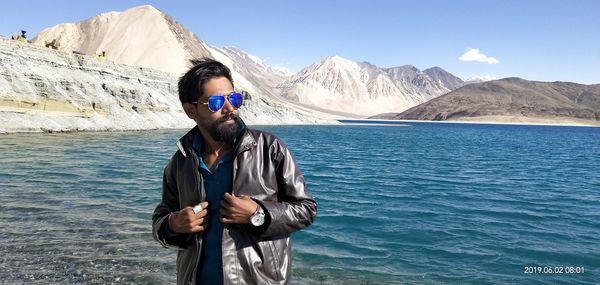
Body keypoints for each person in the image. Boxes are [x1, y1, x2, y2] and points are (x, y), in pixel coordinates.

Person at [152, 58, 317, 285]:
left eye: (234, 98)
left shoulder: (269, 149)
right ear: (191, 110)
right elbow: (161, 221)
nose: (230, 108)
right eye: (217, 102)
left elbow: (306, 210)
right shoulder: (180, 162)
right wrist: (173, 224)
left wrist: (259, 215)